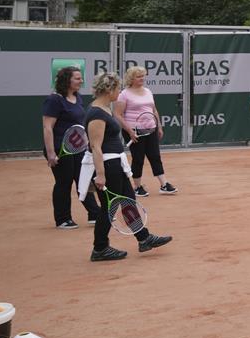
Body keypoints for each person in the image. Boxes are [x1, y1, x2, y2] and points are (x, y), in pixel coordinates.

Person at [85, 72, 172, 261]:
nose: (119, 92)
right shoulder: (96, 114)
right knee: (110, 206)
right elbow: (95, 146)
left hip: (116, 163)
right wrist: (100, 175)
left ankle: (143, 238)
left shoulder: (104, 109)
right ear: (108, 89)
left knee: (128, 201)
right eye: (117, 88)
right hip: (108, 166)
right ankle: (100, 248)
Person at [41, 66, 99, 229]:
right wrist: (51, 153)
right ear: (67, 80)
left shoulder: (77, 97)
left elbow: (79, 124)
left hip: (78, 147)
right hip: (60, 148)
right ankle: (62, 219)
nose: (81, 81)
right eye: (77, 78)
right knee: (64, 182)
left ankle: (94, 213)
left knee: (84, 179)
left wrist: (86, 142)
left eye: (81, 78)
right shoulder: (54, 100)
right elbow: (47, 127)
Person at [114, 65, 177, 196]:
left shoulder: (148, 91)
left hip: (151, 128)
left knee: (155, 156)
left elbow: (153, 110)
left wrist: (158, 126)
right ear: (131, 78)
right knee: (138, 158)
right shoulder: (124, 94)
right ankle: (137, 187)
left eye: (143, 76)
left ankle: (164, 185)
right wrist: (129, 131)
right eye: (139, 76)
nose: (142, 78)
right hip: (135, 131)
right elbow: (118, 114)